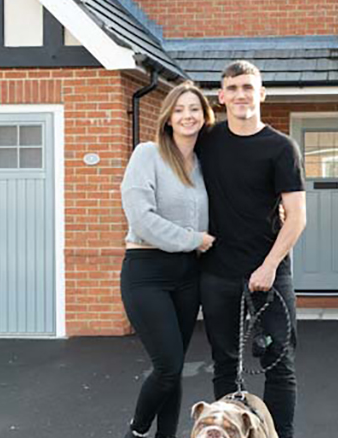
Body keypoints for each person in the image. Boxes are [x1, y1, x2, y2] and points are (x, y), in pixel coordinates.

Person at [196, 61, 307, 438]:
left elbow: (296, 217)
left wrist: (270, 265)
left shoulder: (280, 148)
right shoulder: (207, 142)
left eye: (248, 87)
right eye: (233, 88)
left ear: (261, 94)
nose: (241, 95)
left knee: (280, 364)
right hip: (217, 273)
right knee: (225, 365)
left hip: (270, 274)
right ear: (222, 97)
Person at [120, 82, 217, 438]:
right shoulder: (148, 155)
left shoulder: (204, 164)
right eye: (179, 109)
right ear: (168, 118)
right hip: (147, 272)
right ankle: (137, 430)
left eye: (194, 108)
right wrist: (193, 239)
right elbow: (141, 218)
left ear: (204, 116)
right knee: (168, 365)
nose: (187, 115)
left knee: (174, 370)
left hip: (188, 274)